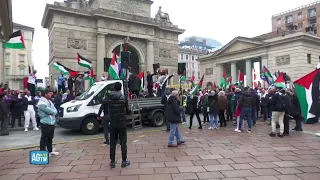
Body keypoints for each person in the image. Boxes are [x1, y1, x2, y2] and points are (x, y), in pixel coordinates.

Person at [107, 82, 130, 168]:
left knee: (112, 143)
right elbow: (128, 110)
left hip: (113, 122)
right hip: (122, 122)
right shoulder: (124, 98)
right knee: (123, 142)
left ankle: (112, 162)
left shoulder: (110, 98)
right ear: (120, 88)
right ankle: (124, 161)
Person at [38, 90, 59, 156]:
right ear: (45, 94)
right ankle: (43, 153)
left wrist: (53, 112)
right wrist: (53, 112)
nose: (51, 95)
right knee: (44, 138)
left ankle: (50, 151)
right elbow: (51, 111)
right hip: (45, 122)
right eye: (49, 93)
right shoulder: (41, 103)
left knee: (50, 138)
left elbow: (55, 110)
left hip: (51, 122)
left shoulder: (49, 101)